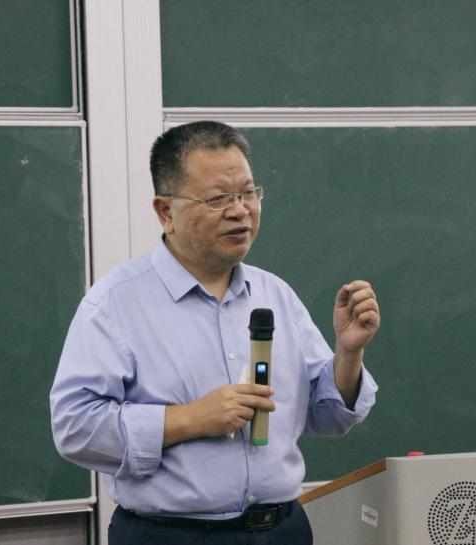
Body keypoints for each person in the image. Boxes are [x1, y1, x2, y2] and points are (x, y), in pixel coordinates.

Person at [50, 121, 380, 545]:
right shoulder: (115, 304)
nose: (240, 211)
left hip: (282, 531)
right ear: (165, 211)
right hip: (172, 535)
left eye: (248, 193)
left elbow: (327, 417)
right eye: (218, 198)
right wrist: (189, 419)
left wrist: (348, 355)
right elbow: (75, 427)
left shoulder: (275, 294)